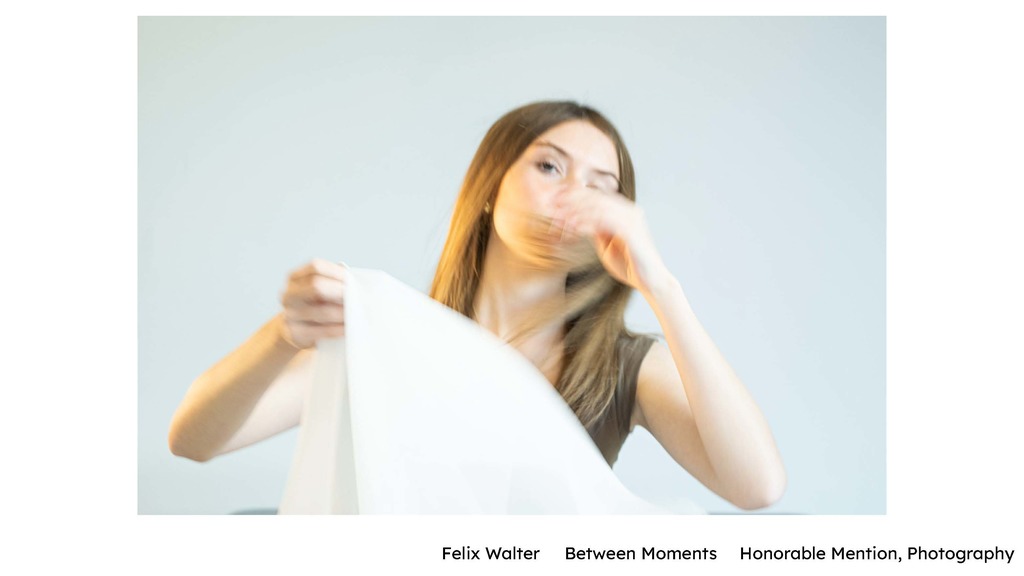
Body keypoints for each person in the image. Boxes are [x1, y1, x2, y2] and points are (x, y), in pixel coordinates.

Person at [168, 100, 786, 510]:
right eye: (550, 167)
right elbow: (192, 440)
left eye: (604, 188)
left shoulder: (621, 365)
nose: (576, 198)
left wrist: (661, 285)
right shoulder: (389, 337)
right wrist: (283, 336)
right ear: (489, 188)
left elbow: (757, 487)